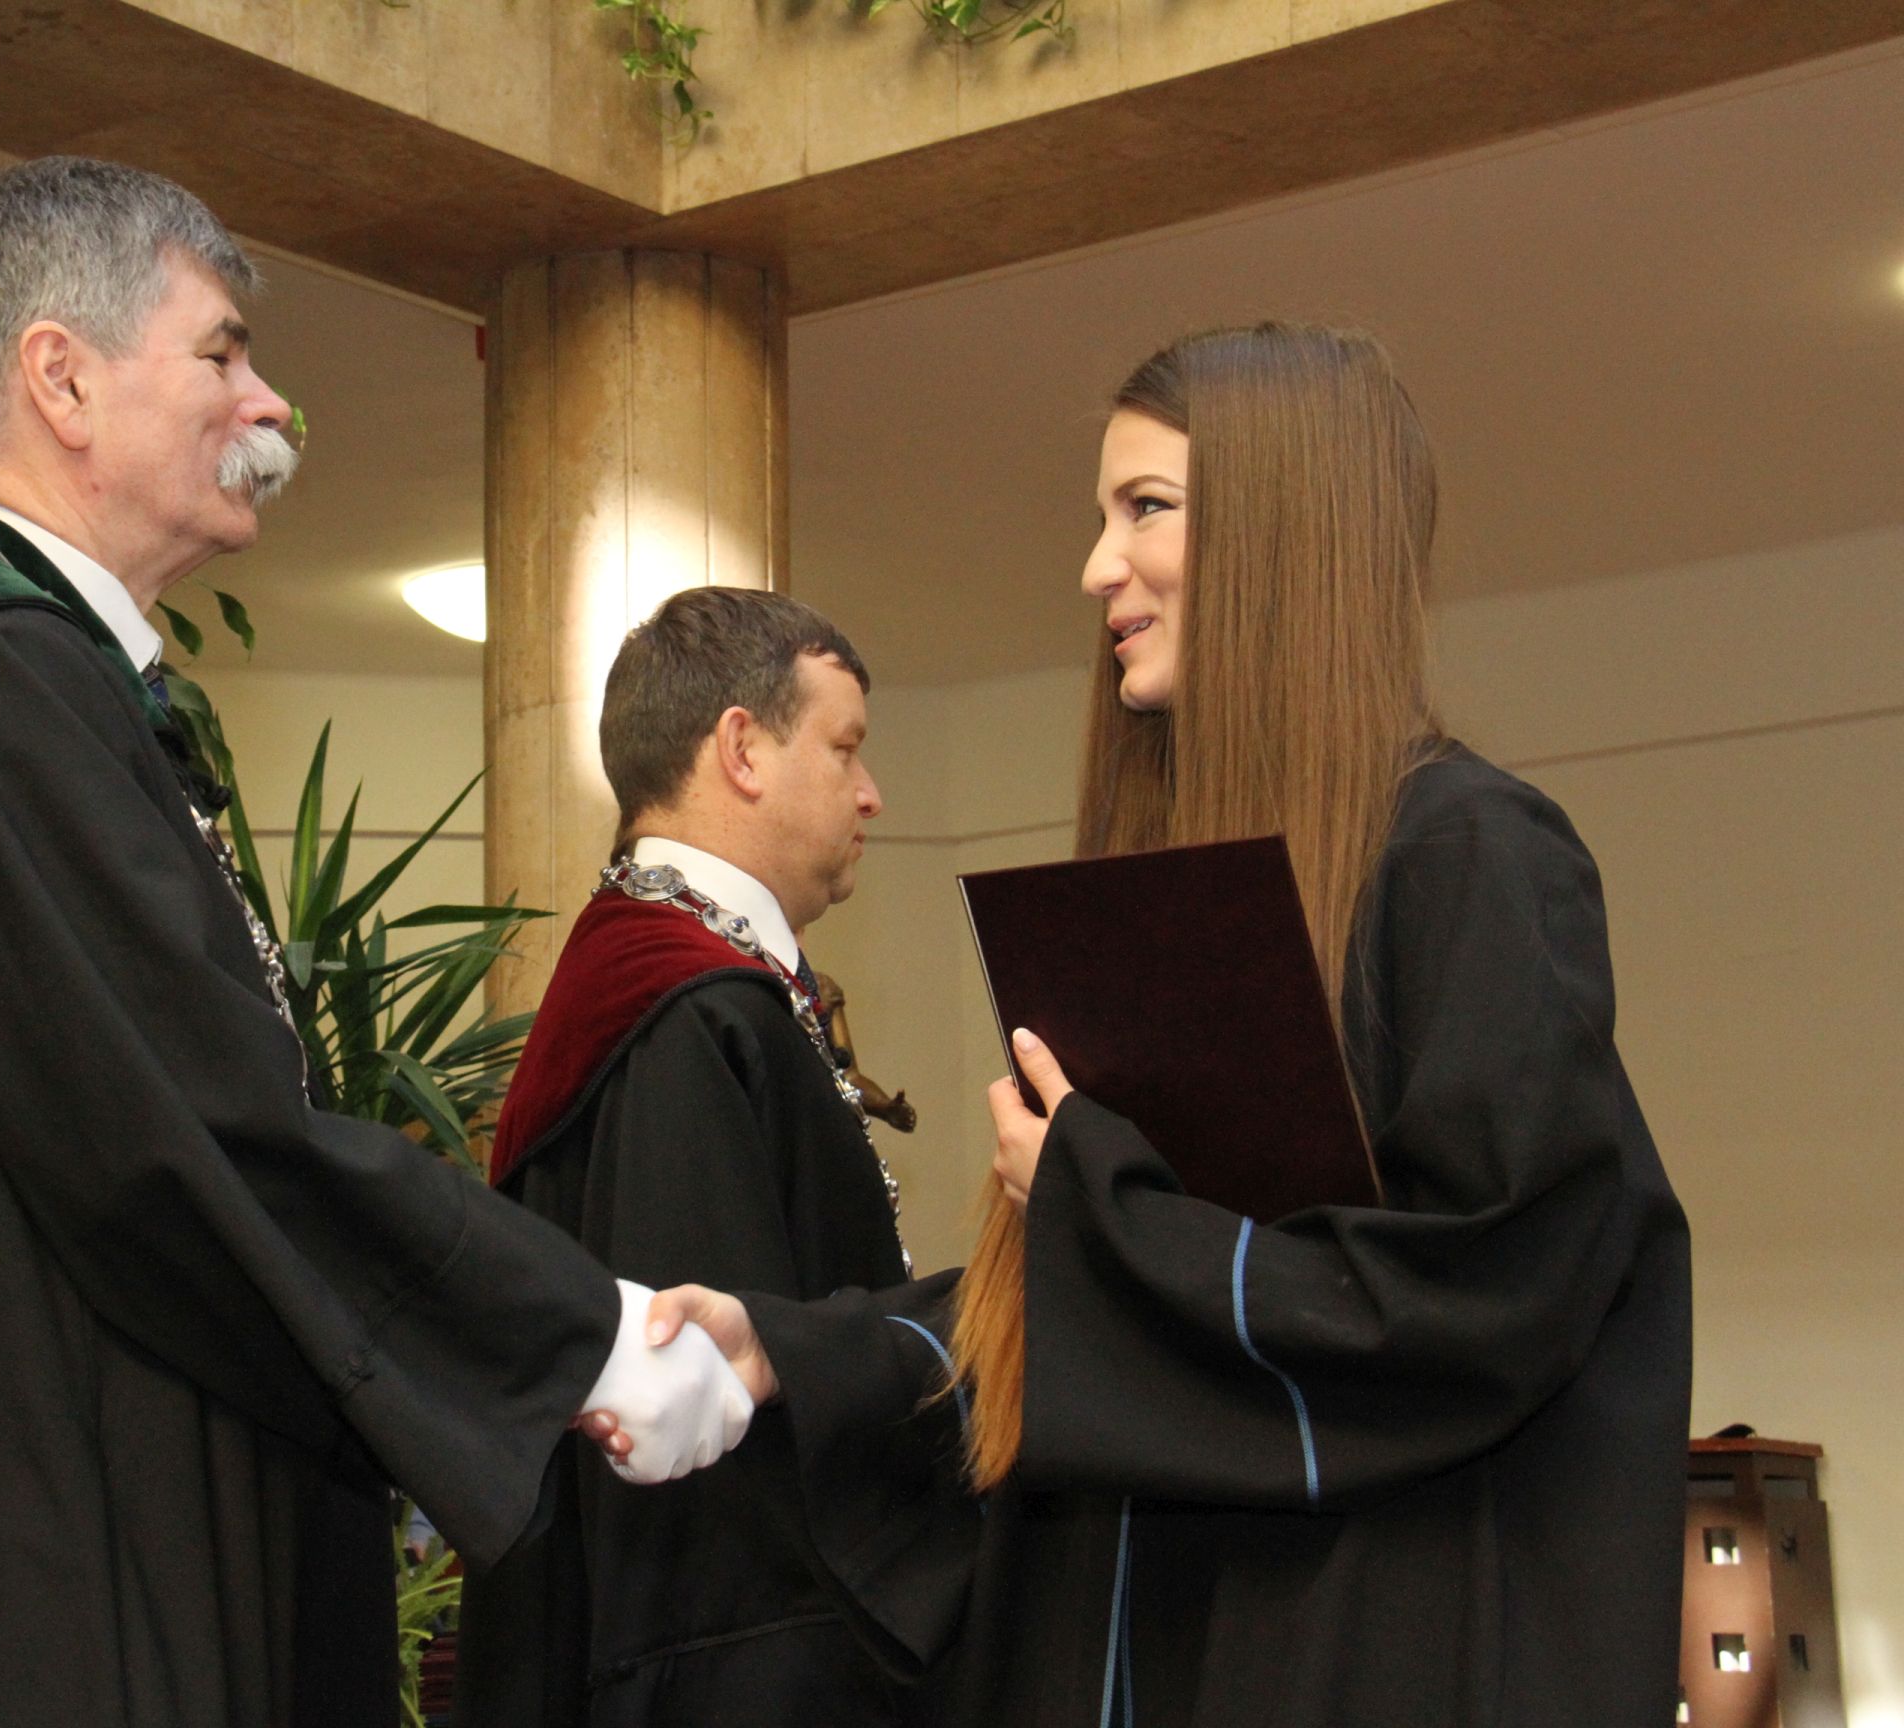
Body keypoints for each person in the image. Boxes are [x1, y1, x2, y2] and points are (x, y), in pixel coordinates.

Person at [0, 156, 754, 1728]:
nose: (269, 407)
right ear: (62, 379)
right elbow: (191, 1134)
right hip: (24, 1581)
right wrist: (591, 1342)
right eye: (221, 352)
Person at [645, 322, 1695, 1728]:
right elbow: (1137, 1298)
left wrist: (1096, 1193)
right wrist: (797, 1349)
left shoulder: (1470, 855)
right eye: (1103, 516)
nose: (1098, 567)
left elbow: (1489, 1292)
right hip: (1164, 1631)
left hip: (1356, 1644)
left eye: (1146, 507)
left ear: (1283, 530)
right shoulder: (1199, 889)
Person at [456, 588, 969, 1727]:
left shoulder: (665, 985)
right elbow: (709, 1469)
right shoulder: (689, 1011)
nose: (871, 793)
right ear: (741, 748)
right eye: (845, 748)